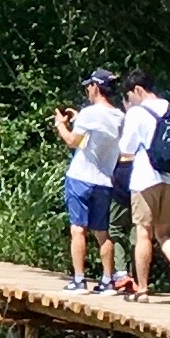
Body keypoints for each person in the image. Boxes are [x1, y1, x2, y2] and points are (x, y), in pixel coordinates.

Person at [119, 70, 170, 301]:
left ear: (137, 90)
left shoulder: (137, 113)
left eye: (130, 95)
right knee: (164, 233)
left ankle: (142, 288)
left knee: (143, 233)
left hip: (145, 178)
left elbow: (126, 149)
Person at [52, 71, 126, 291]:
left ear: (95, 87)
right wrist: (79, 121)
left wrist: (60, 125)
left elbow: (73, 141)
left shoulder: (89, 113)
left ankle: (79, 279)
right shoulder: (120, 117)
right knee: (103, 232)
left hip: (81, 178)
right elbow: (95, 141)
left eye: (89, 86)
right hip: (104, 181)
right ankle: (106, 280)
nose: (87, 90)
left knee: (78, 229)